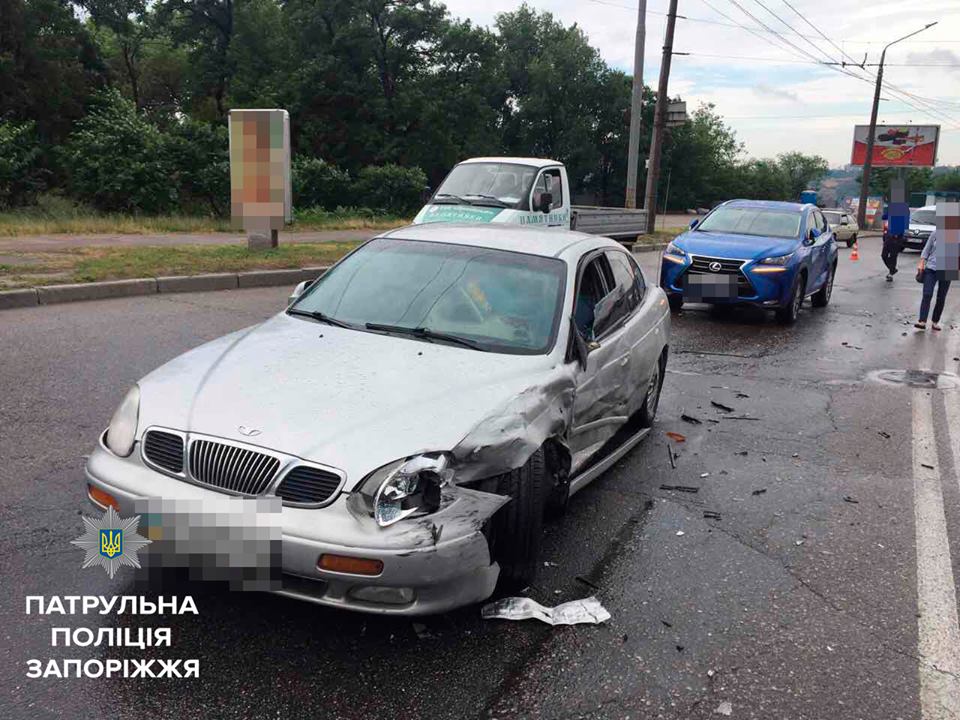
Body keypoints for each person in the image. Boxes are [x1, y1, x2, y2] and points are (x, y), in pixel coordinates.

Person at [915, 225, 951, 331]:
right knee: (927, 294)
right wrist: (921, 263)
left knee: (941, 297)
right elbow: (926, 249)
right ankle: (922, 321)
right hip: (931, 268)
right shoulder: (935, 233)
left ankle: (935, 322)